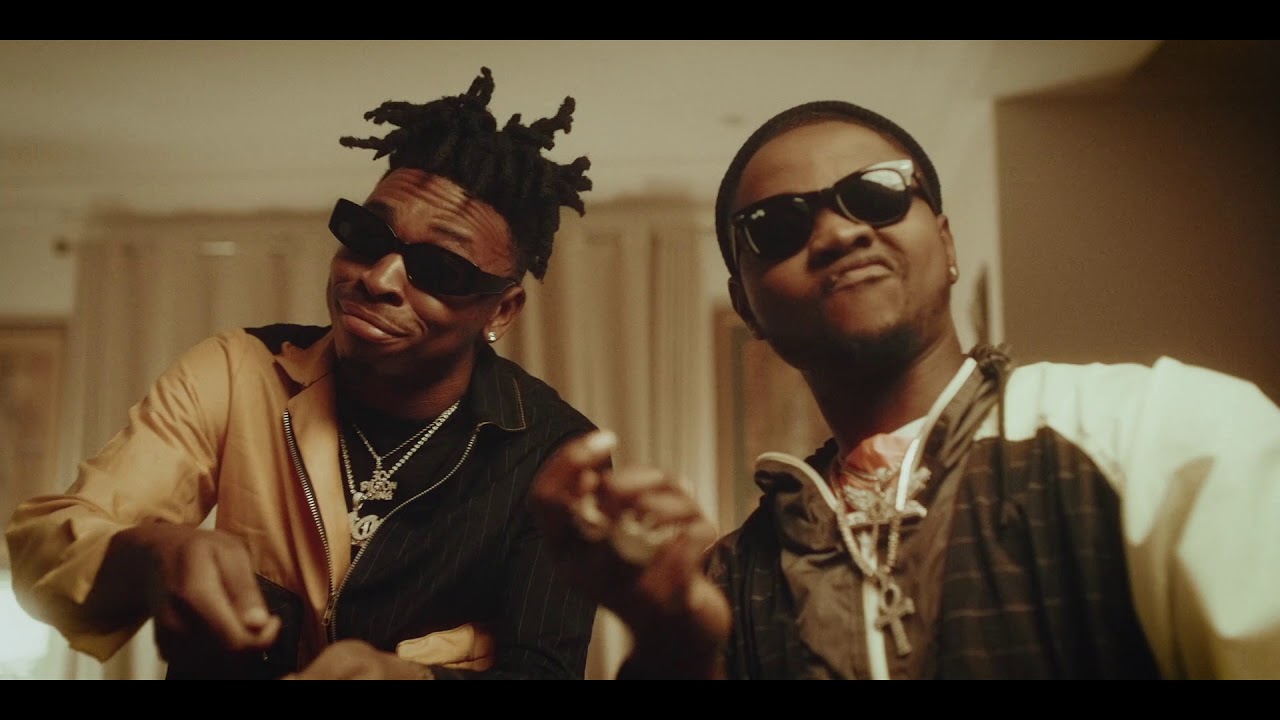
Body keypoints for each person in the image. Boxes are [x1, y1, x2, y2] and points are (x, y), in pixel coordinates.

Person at [529, 99, 1280, 679]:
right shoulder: (726, 581)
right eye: (778, 224)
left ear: (946, 242)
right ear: (746, 304)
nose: (838, 233)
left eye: (877, 193)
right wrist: (672, 641)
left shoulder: (1159, 434)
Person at [6, 66, 603, 680]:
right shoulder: (238, 371)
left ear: (501, 310)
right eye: (367, 236)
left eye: (440, 269)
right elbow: (40, 555)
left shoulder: (556, 455)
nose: (379, 278)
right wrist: (150, 553)